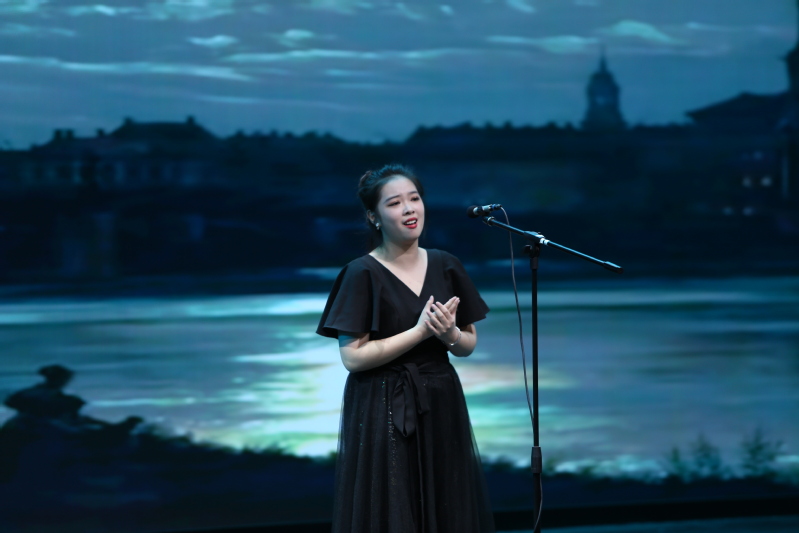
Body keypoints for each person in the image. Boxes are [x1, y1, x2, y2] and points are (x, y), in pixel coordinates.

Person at [317, 164, 495, 533]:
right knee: (392, 509)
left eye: (414, 199)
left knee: (447, 505)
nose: (409, 209)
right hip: (382, 403)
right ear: (374, 216)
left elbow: (467, 344)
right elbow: (353, 357)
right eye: (395, 203)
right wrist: (420, 332)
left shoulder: (446, 264)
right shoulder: (361, 273)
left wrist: (449, 334)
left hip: (441, 398)